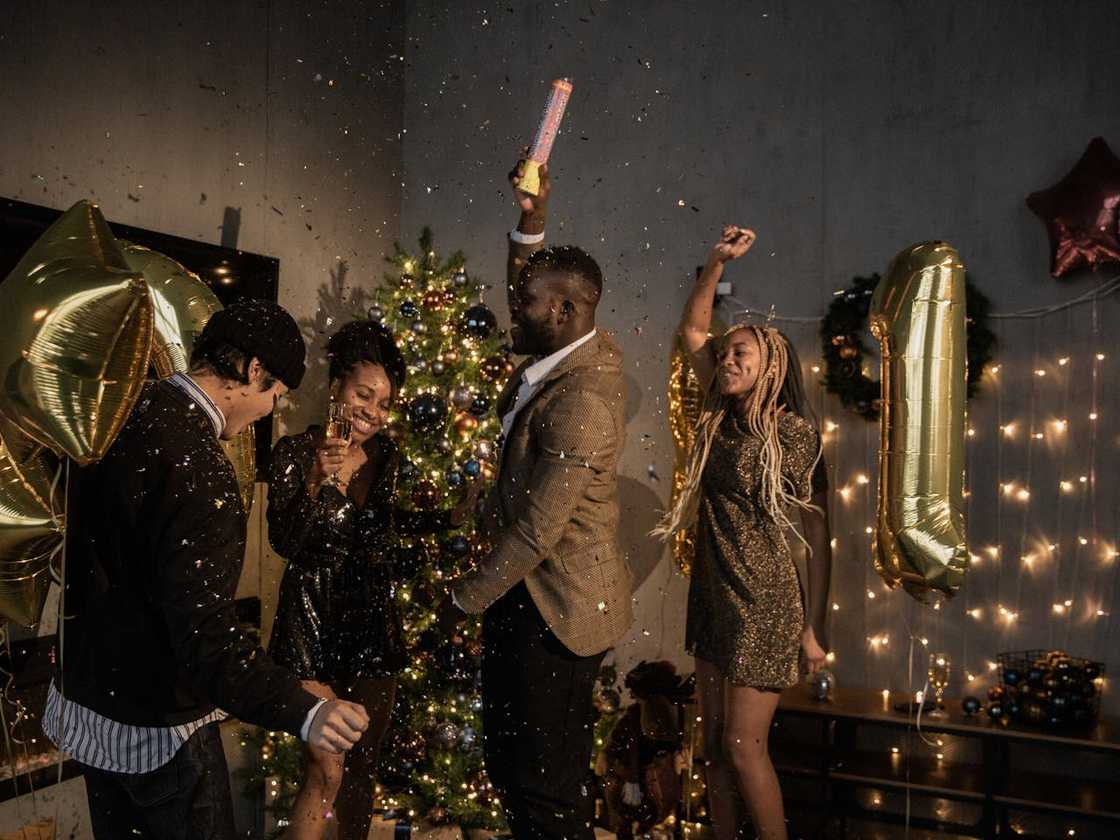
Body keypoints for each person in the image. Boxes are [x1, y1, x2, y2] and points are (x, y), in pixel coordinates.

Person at [44, 299, 370, 840]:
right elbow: (206, 639)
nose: (267, 411)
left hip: (89, 711)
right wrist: (305, 711)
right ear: (253, 371)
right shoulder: (201, 466)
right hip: (161, 734)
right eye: (274, 395)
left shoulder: (124, 409)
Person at [435, 160, 633, 840]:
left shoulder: (581, 401)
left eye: (526, 301)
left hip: (560, 613)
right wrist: (531, 221)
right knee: (515, 773)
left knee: (544, 790)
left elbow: (536, 533)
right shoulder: (555, 354)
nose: (512, 304)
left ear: (568, 311)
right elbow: (532, 281)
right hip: (529, 600)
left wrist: (460, 600)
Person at [653, 227, 832, 840]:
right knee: (710, 750)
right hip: (712, 592)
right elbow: (694, 333)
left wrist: (813, 626)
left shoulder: (793, 436)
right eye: (727, 354)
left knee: (742, 744)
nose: (726, 360)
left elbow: (814, 537)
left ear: (771, 370)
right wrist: (714, 263)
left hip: (764, 603)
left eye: (741, 357)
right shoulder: (717, 414)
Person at [267, 320, 472, 840]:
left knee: (360, 774)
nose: (373, 412)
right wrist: (318, 480)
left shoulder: (388, 459)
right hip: (309, 627)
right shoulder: (294, 452)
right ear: (336, 387)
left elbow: (396, 524)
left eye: (384, 404)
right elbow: (286, 541)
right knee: (325, 769)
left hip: (373, 631)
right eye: (364, 394)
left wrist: (453, 516)